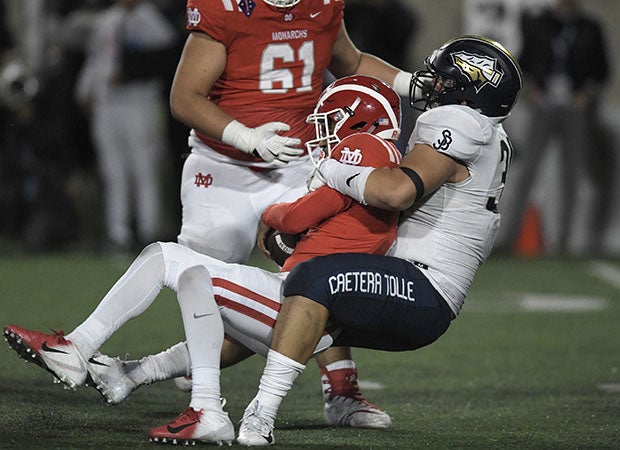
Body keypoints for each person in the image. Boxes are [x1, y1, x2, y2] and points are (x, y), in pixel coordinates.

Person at [3, 75, 403, 446]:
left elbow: (297, 216)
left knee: (169, 258)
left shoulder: (366, 149)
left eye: (333, 121)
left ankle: (86, 350)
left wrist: (273, 215)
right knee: (199, 282)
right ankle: (139, 380)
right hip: (315, 308)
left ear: (362, 124)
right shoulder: (384, 162)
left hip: (308, 306)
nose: (324, 133)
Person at [236, 35, 524, 446]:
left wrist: (334, 169)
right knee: (271, 305)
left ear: (467, 89)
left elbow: (395, 192)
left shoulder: (462, 123)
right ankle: (146, 370)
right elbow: (357, 63)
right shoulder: (482, 129)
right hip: (409, 277)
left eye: (442, 81)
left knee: (317, 279)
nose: (431, 86)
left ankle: (261, 413)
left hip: (426, 286)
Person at [166, 0, 415, 425]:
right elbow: (184, 97)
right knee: (201, 282)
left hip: (295, 160)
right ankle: (178, 379)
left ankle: (341, 390)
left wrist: (415, 84)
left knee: (327, 267)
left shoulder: (321, 6)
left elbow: (351, 62)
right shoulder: (225, 7)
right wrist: (244, 136)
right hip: (222, 167)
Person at [501, 0, 611, 254]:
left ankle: (565, 243)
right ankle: (509, 238)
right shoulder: (539, 24)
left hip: (576, 107)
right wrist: (533, 90)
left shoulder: (590, 27)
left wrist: (586, 93)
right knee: (527, 172)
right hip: (544, 106)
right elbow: (525, 62)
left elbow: (602, 70)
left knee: (571, 175)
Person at [75, 0, 178, 251]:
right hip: (107, 102)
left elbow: (167, 44)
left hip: (138, 102)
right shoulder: (106, 20)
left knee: (144, 169)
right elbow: (96, 58)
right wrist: (84, 91)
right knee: (113, 171)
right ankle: (117, 233)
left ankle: (148, 231)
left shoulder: (150, 19)